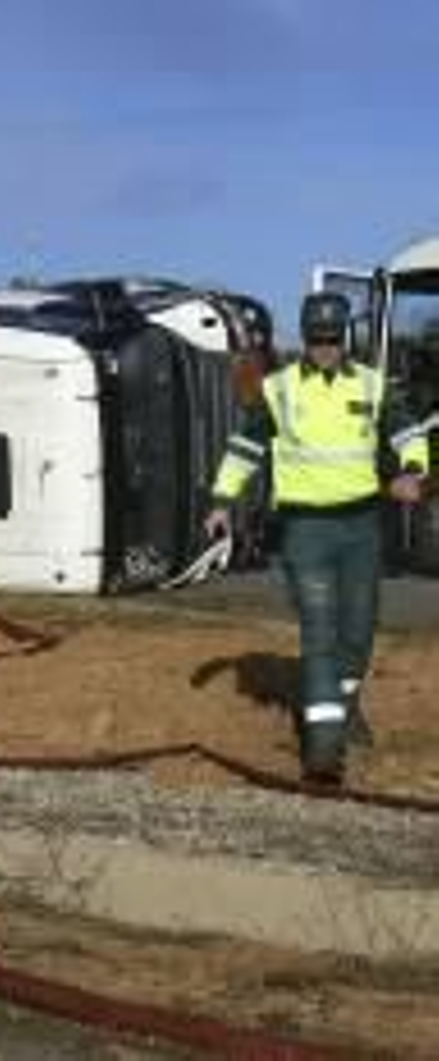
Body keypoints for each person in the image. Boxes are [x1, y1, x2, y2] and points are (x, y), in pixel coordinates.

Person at [204, 291, 430, 784]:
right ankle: (323, 752)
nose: (325, 346)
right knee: (321, 634)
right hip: (304, 530)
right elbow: (244, 448)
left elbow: (409, 433)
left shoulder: (372, 387)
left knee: (359, 632)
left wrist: (414, 470)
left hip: (363, 528)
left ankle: (344, 709)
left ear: (344, 336)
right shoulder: (279, 389)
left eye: (332, 338)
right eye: (316, 338)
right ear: (305, 338)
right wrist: (222, 501)